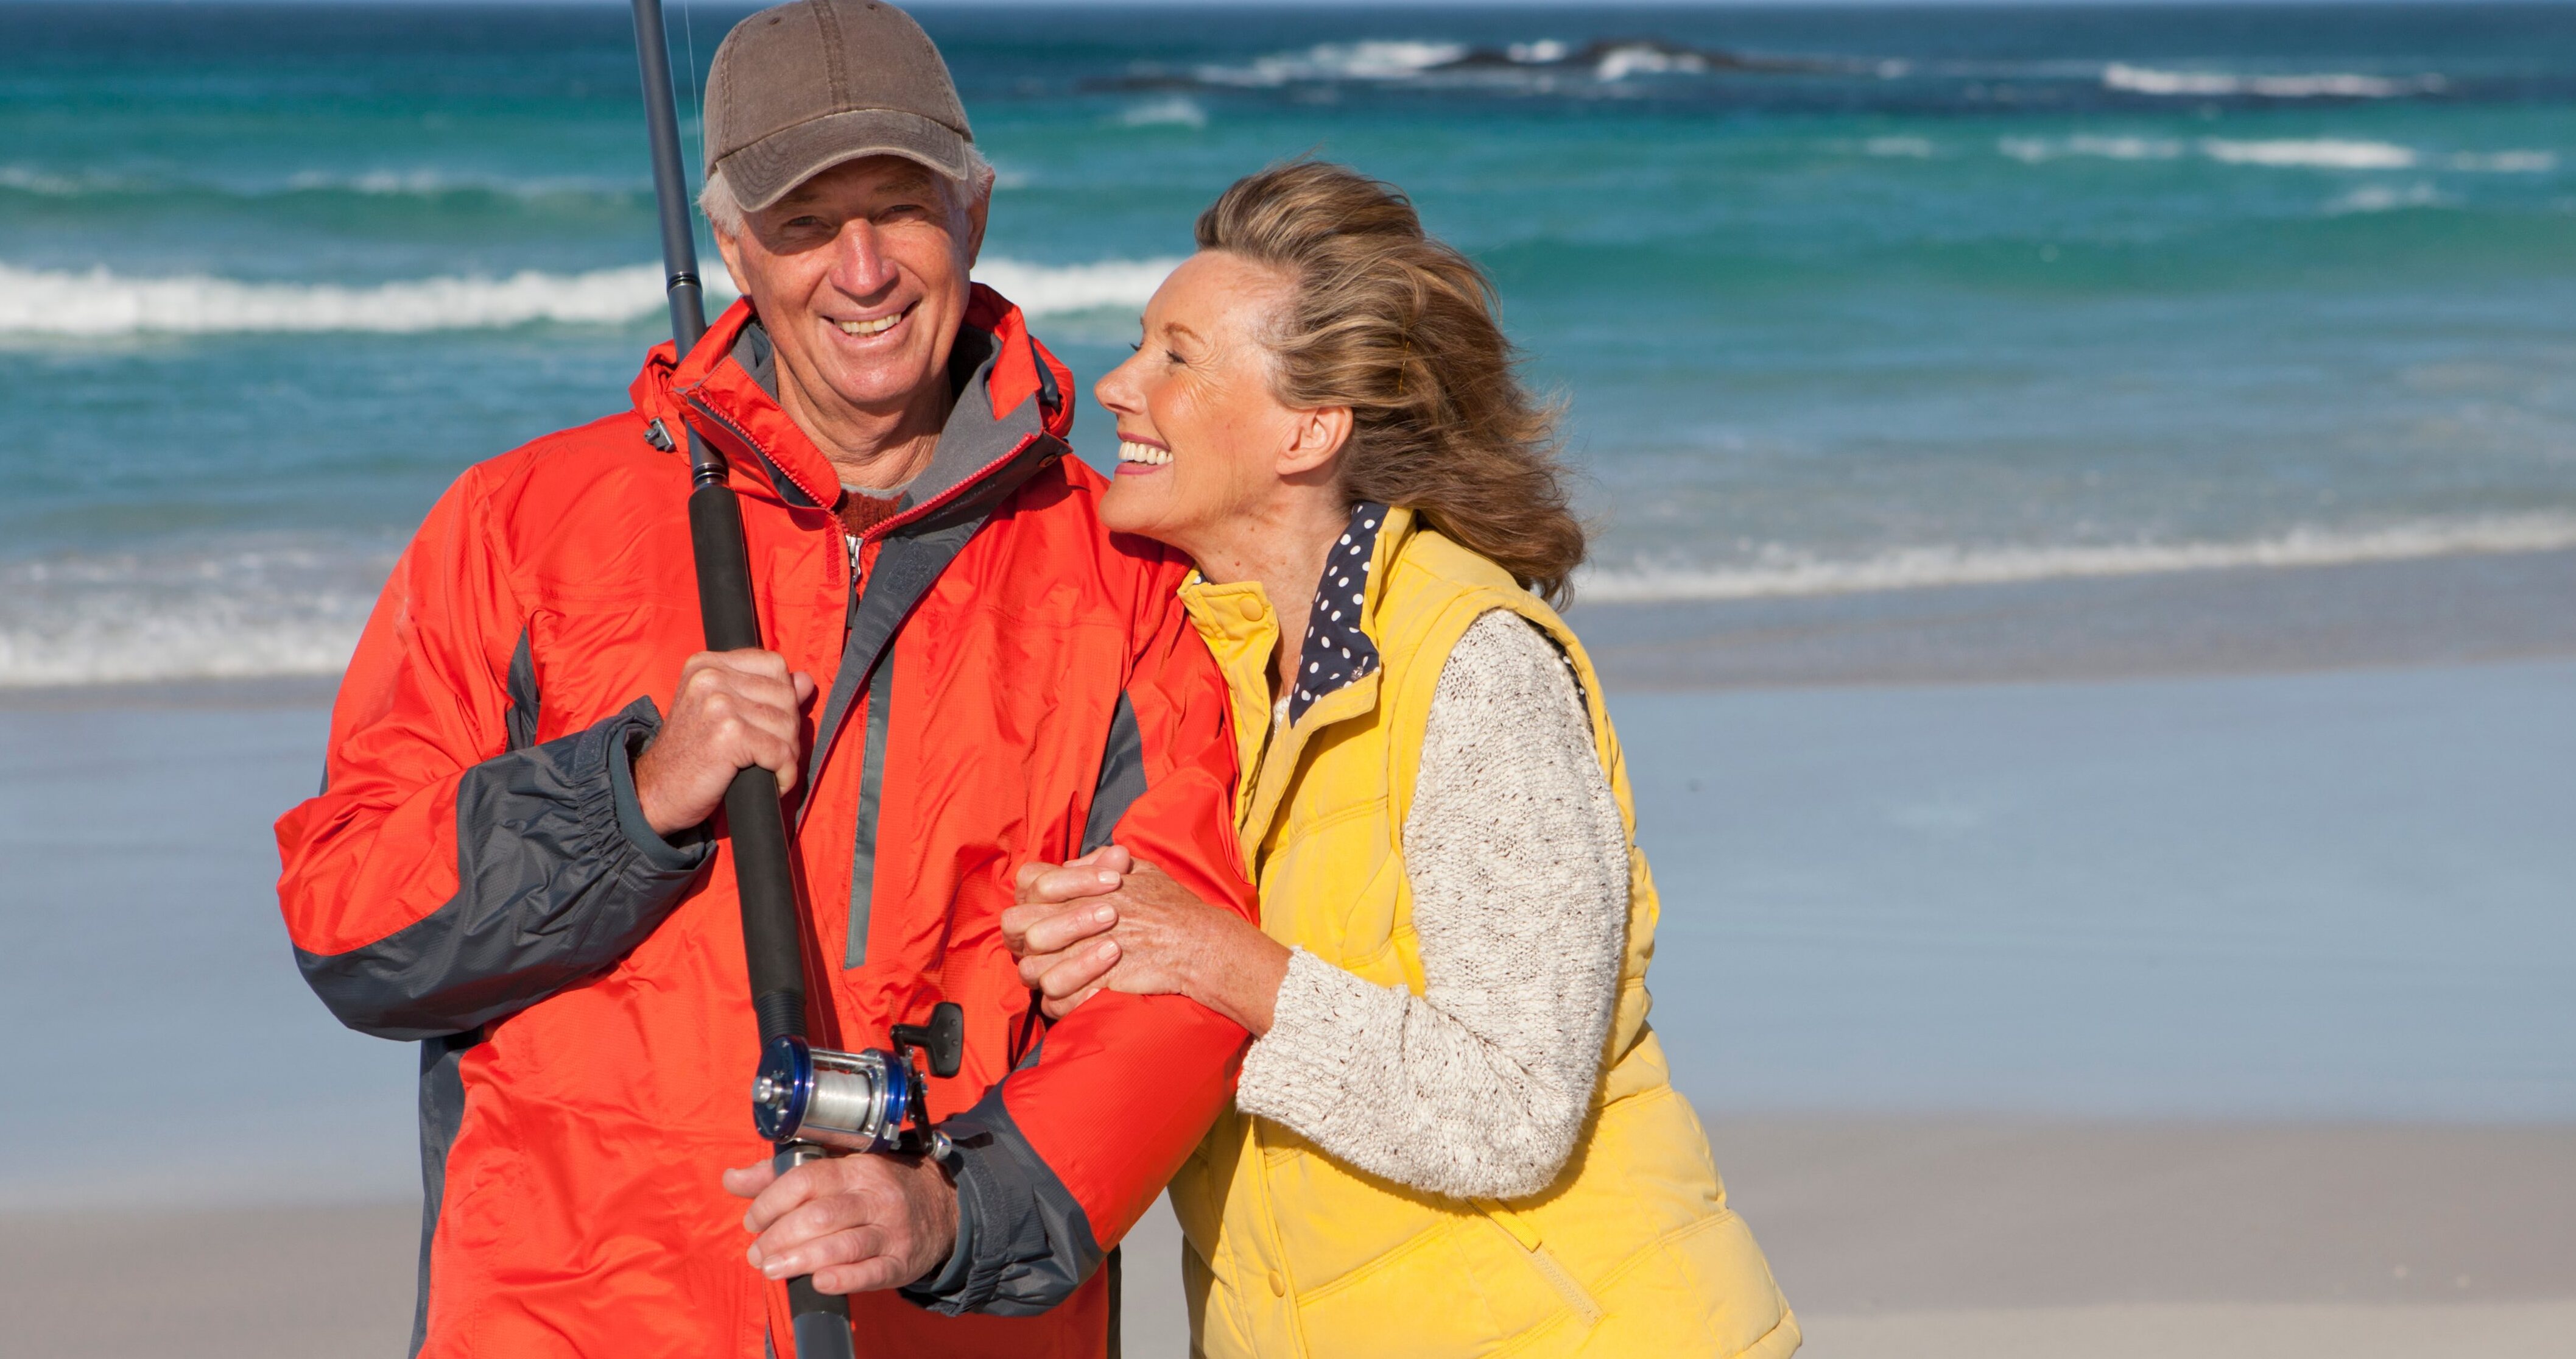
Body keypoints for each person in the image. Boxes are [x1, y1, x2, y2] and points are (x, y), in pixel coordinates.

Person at [272, 4, 1254, 1355]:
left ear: (973, 212)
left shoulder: (1120, 564)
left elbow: (1179, 978)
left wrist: (958, 1216)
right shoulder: (515, 522)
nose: (860, 270)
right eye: (803, 222)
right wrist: (629, 798)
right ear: (734, 246)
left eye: (899, 208)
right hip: (571, 1317)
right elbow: (351, 927)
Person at [1002, 161, 1800, 1358]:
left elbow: (1512, 1110)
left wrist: (1220, 963)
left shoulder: (1474, 667)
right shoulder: (1198, 671)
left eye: (1176, 356)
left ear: (1307, 429)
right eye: (1137, 347)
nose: (1116, 386)